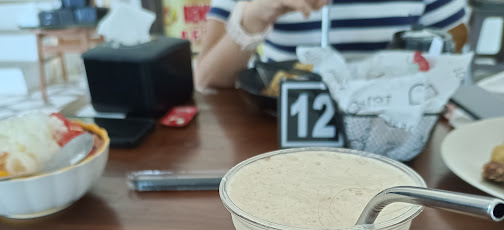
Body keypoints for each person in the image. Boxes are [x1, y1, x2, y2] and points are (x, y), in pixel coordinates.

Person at [195, 0, 469, 90]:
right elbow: (207, 77)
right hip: (273, 126)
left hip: (388, 131)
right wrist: (252, 18)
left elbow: (454, 57)